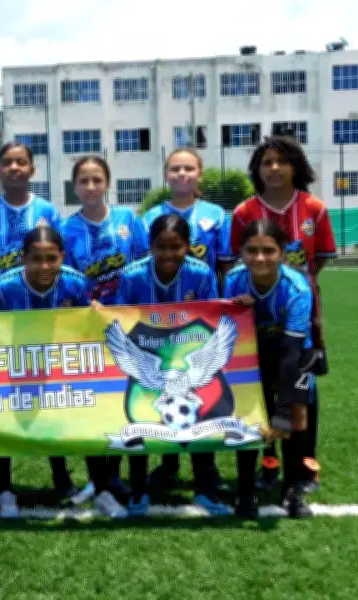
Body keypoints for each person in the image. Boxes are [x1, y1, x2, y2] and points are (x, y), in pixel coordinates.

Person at [0, 226, 126, 518]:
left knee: (89, 419)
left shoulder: (75, 284)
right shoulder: (4, 287)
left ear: (63, 256)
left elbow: (84, 328)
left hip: (62, 368)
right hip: (16, 369)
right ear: (23, 258)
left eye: (52, 258)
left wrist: (95, 312)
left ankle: (101, 490)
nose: (44, 266)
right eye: (36, 258)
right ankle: (4, 490)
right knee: (4, 422)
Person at [104, 214, 233, 517]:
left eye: (176, 247)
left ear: (187, 246)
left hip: (188, 360)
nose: (168, 254)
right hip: (147, 359)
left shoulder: (201, 274)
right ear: (149, 247)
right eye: (161, 247)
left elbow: (211, 319)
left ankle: (205, 489)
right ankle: (138, 490)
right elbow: (120, 319)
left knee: (203, 417)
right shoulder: (133, 276)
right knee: (139, 417)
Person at [231, 136, 336, 492]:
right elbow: (236, 261)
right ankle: (268, 466)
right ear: (257, 170)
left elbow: (319, 259)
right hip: (254, 322)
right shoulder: (244, 212)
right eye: (266, 162)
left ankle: (305, 467)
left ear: (295, 166)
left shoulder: (315, 208)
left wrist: (296, 284)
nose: (274, 168)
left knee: (303, 391)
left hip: (300, 314)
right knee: (258, 393)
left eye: (281, 161)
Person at [143, 148, 234, 493]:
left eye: (189, 168)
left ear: (200, 173)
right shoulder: (150, 216)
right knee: (168, 394)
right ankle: (167, 463)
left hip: (198, 317)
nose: (182, 174)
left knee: (200, 391)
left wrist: (222, 310)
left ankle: (205, 466)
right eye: (175, 168)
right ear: (166, 174)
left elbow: (223, 266)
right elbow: (146, 265)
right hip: (157, 326)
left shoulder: (216, 215)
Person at [60, 155, 147, 505]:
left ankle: (117, 473)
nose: (91, 187)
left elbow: (142, 265)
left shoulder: (129, 219)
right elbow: (63, 279)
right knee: (93, 400)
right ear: (75, 186)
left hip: (128, 326)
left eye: (97, 180)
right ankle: (99, 476)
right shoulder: (67, 229)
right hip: (86, 328)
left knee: (125, 398)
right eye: (84, 181)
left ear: (108, 182)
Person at [225, 219, 317, 519]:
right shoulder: (235, 280)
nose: (260, 258)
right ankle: (247, 488)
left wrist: (284, 408)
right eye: (252, 250)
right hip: (254, 354)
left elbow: (292, 351)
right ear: (241, 252)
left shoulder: (297, 288)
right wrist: (241, 309)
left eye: (268, 250)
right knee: (249, 418)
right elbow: (231, 329)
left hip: (294, 353)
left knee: (295, 423)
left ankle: (292, 490)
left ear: (283, 254)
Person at [0, 142, 61, 290]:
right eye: (6, 163)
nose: (13, 167)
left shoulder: (47, 211)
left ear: (32, 170)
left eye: (21, 162)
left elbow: (60, 260)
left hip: (40, 302)